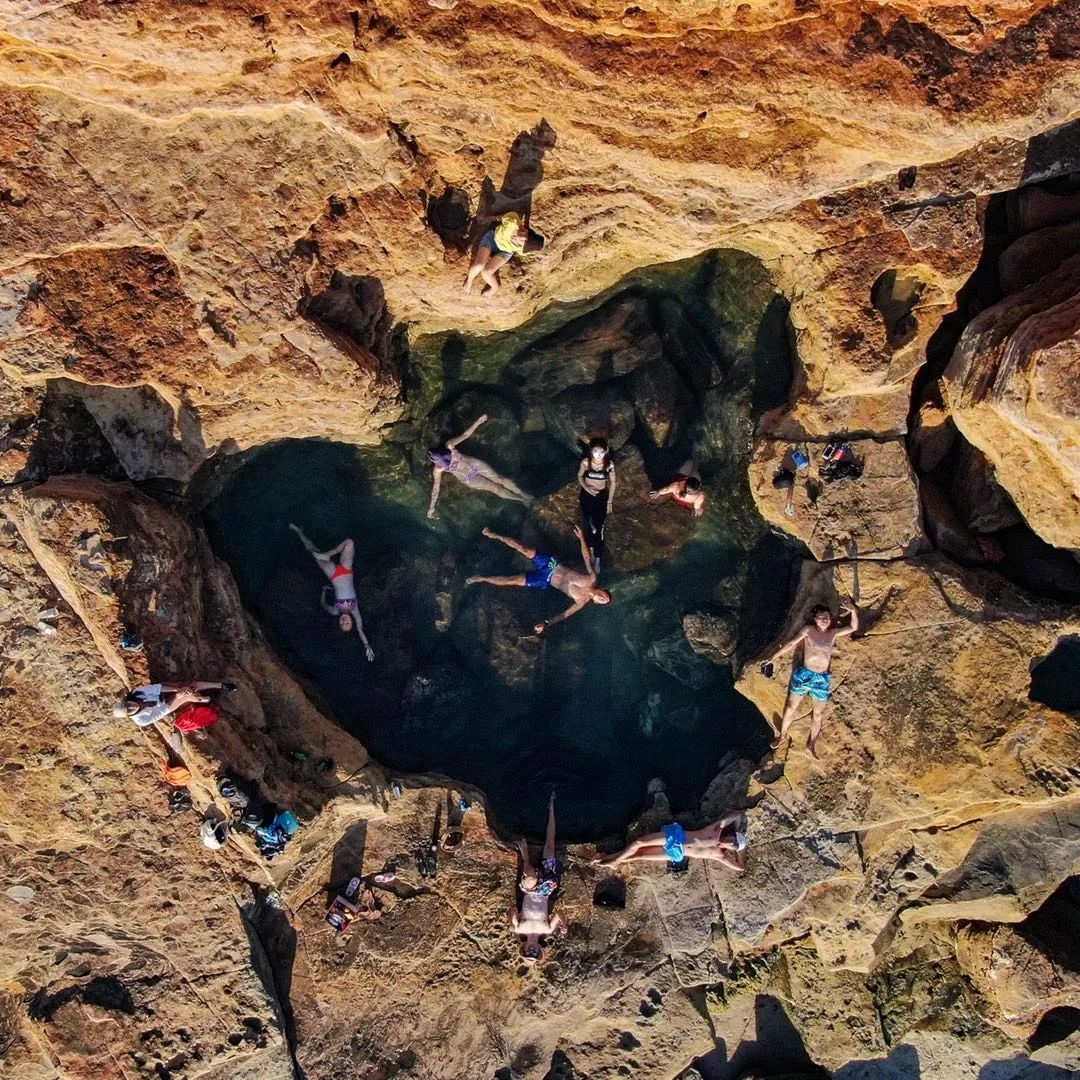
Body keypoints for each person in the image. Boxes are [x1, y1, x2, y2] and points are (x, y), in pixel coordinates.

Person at [466, 524, 611, 635]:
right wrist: (582, 539)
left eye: (603, 600)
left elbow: (563, 615)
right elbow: (586, 558)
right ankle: (494, 535)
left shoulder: (581, 602)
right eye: (605, 595)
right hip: (552, 565)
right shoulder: (591, 578)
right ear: (602, 590)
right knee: (523, 548)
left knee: (511, 580)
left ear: (597, 603)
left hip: (544, 580)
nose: (602, 597)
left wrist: (545, 623)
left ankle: (481, 578)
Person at [766, 599, 859, 757]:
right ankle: (782, 736)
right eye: (822, 617)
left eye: (827, 617)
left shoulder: (832, 633)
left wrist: (853, 611)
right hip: (805, 675)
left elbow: (853, 627)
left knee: (818, 714)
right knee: (790, 707)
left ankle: (811, 743)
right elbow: (790, 643)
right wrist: (773, 657)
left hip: (821, 679)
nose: (825, 619)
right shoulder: (808, 630)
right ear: (815, 619)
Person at [289, 524, 374, 661]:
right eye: (347, 624)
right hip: (347, 570)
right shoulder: (355, 610)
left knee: (313, 551)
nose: (343, 622)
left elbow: (323, 604)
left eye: (341, 624)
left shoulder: (335, 611)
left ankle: (299, 531)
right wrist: (367, 645)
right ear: (351, 621)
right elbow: (360, 630)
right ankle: (328, 554)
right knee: (349, 542)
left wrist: (323, 591)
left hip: (333, 574)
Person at [427, 414, 531, 518]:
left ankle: (522, 498)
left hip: (468, 477)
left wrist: (432, 507)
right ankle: (523, 497)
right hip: (473, 467)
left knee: (496, 487)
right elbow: (466, 435)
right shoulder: (449, 445)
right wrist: (478, 422)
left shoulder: (438, 469)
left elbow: (436, 489)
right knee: (499, 480)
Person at [509, 792, 564, 962]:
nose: (531, 951)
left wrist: (514, 921)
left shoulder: (520, 929)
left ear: (523, 948)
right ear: (539, 949)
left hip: (530, 891)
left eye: (528, 953)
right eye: (534, 954)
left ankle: (525, 855)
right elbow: (560, 913)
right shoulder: (547, 930)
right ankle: (552, 807)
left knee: (530, 879)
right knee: (550, 845)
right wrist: (565, 927)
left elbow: (511, 908)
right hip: (546, 890)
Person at [593, 813, 747, 872]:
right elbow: (738, 814)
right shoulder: (715, 831)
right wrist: (740, 831)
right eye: (733, 840)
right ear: (732, 835)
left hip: (676, 853)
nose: (730, 843)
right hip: (676, 836)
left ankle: (607, 858)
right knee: (638, 843)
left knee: (638, 855)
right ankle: (614, 861)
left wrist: (741, 849)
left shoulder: (719, 855)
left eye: (733, 845)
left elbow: (740, 867)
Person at [463, 211, 545, 297]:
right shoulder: (512, 222)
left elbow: (525, 250)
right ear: (526, 231)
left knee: (486, 272)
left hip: (505, 251)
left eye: (522, 245)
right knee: (479, 265)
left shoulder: (522, 250)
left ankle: (494, 288)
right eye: (524, 238)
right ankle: (469, 280)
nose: (520, 244)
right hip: (492, 239)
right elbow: (501, 217)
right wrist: (491, 218)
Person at [113, 680, 234, 727]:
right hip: (166, 705)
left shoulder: (137, 692)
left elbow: (157, 688)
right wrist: (178, 696)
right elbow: (162, 711)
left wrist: (178, 690)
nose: (131, 707)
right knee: (189, 697)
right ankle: (208, 699)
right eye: (129, 710)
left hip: (163, 693)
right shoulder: (141, 720)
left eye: (128, 704)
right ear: (130, 715)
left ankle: (221, 685)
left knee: (189, 686)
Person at [577, 437, 615, 571]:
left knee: (599, 528)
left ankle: (598, 557)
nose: (598, 456)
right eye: (595, 452)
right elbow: (580, 477)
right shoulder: (585, 463)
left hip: (601, 497)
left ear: (606, 451)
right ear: (591, 451)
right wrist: (587, 488)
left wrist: (609, 501)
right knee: (587, 525)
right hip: (587, 496)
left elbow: (613, 483)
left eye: (601, 453)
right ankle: (592, 550)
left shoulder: (609, 465)